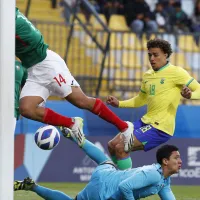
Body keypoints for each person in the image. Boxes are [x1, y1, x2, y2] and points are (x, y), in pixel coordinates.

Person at [15, 7, 133, 169]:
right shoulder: (10, 17)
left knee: (82, 101)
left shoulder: (14, 21)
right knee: (26, 109)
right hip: (33, 70)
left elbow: (35, 39)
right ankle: (71, 123)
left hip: (48, 66)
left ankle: (124, 126)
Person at [106, 38, 200, 167]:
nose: (152, 58)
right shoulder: (148, 75)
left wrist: (190, 95)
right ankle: (116, 176)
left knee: (121, 147)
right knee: (112, 145)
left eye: (156, 55)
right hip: (145, 121)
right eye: (150, 55)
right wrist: (119, 103)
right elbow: (141, 99)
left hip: (160, 127)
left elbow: (198, 89)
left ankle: (124, 184)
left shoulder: (177, 72)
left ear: (165, 55)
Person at [14, 130, 181, 200]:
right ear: (165, 161)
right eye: (176, 158)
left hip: (106, 174)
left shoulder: (163, 181)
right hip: (104, 192)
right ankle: (33, 187)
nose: (180, 162)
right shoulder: (153, 173)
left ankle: (77, 137)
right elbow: (125, 187)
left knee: (105, 161)